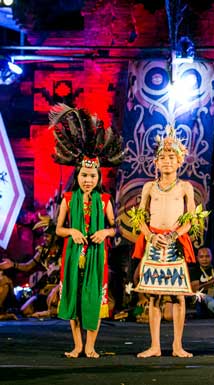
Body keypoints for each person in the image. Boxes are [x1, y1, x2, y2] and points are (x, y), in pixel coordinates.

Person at [49, 104, 123, 359]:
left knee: (92, 300)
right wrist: (71, 231)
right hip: (72, 255)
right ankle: (78, 345)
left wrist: (105, 233)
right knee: (75, 298)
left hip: (96, 255)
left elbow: (116, 228)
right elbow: (58, 229)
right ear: (78, 175)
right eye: (84, 175)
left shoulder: (104, 200)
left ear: (98, 177)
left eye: (92, 175)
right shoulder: (68, 198)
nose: (87, 180)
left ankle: (91, 346)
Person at [130, 124, 197, 358]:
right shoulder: (150, 187)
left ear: (180, 162)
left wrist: (174, 235)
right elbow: (140, 216)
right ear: (155, 163)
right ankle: (155, 346)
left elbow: (190, 219)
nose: (167, 161)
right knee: (153, 295)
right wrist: (149, 235)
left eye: (171, 157)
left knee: (178, 295)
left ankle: (178, 345)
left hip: (175, 243)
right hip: (154, 242)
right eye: (162, 157)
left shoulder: (185, 187)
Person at [189, 247, 214, 318]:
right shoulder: (194, 271)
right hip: (203, 304)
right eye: (201, 257)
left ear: (212, 256)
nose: (204, 259)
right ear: (197, 258)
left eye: (207, 256)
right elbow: (195, 289)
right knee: (203, 297)